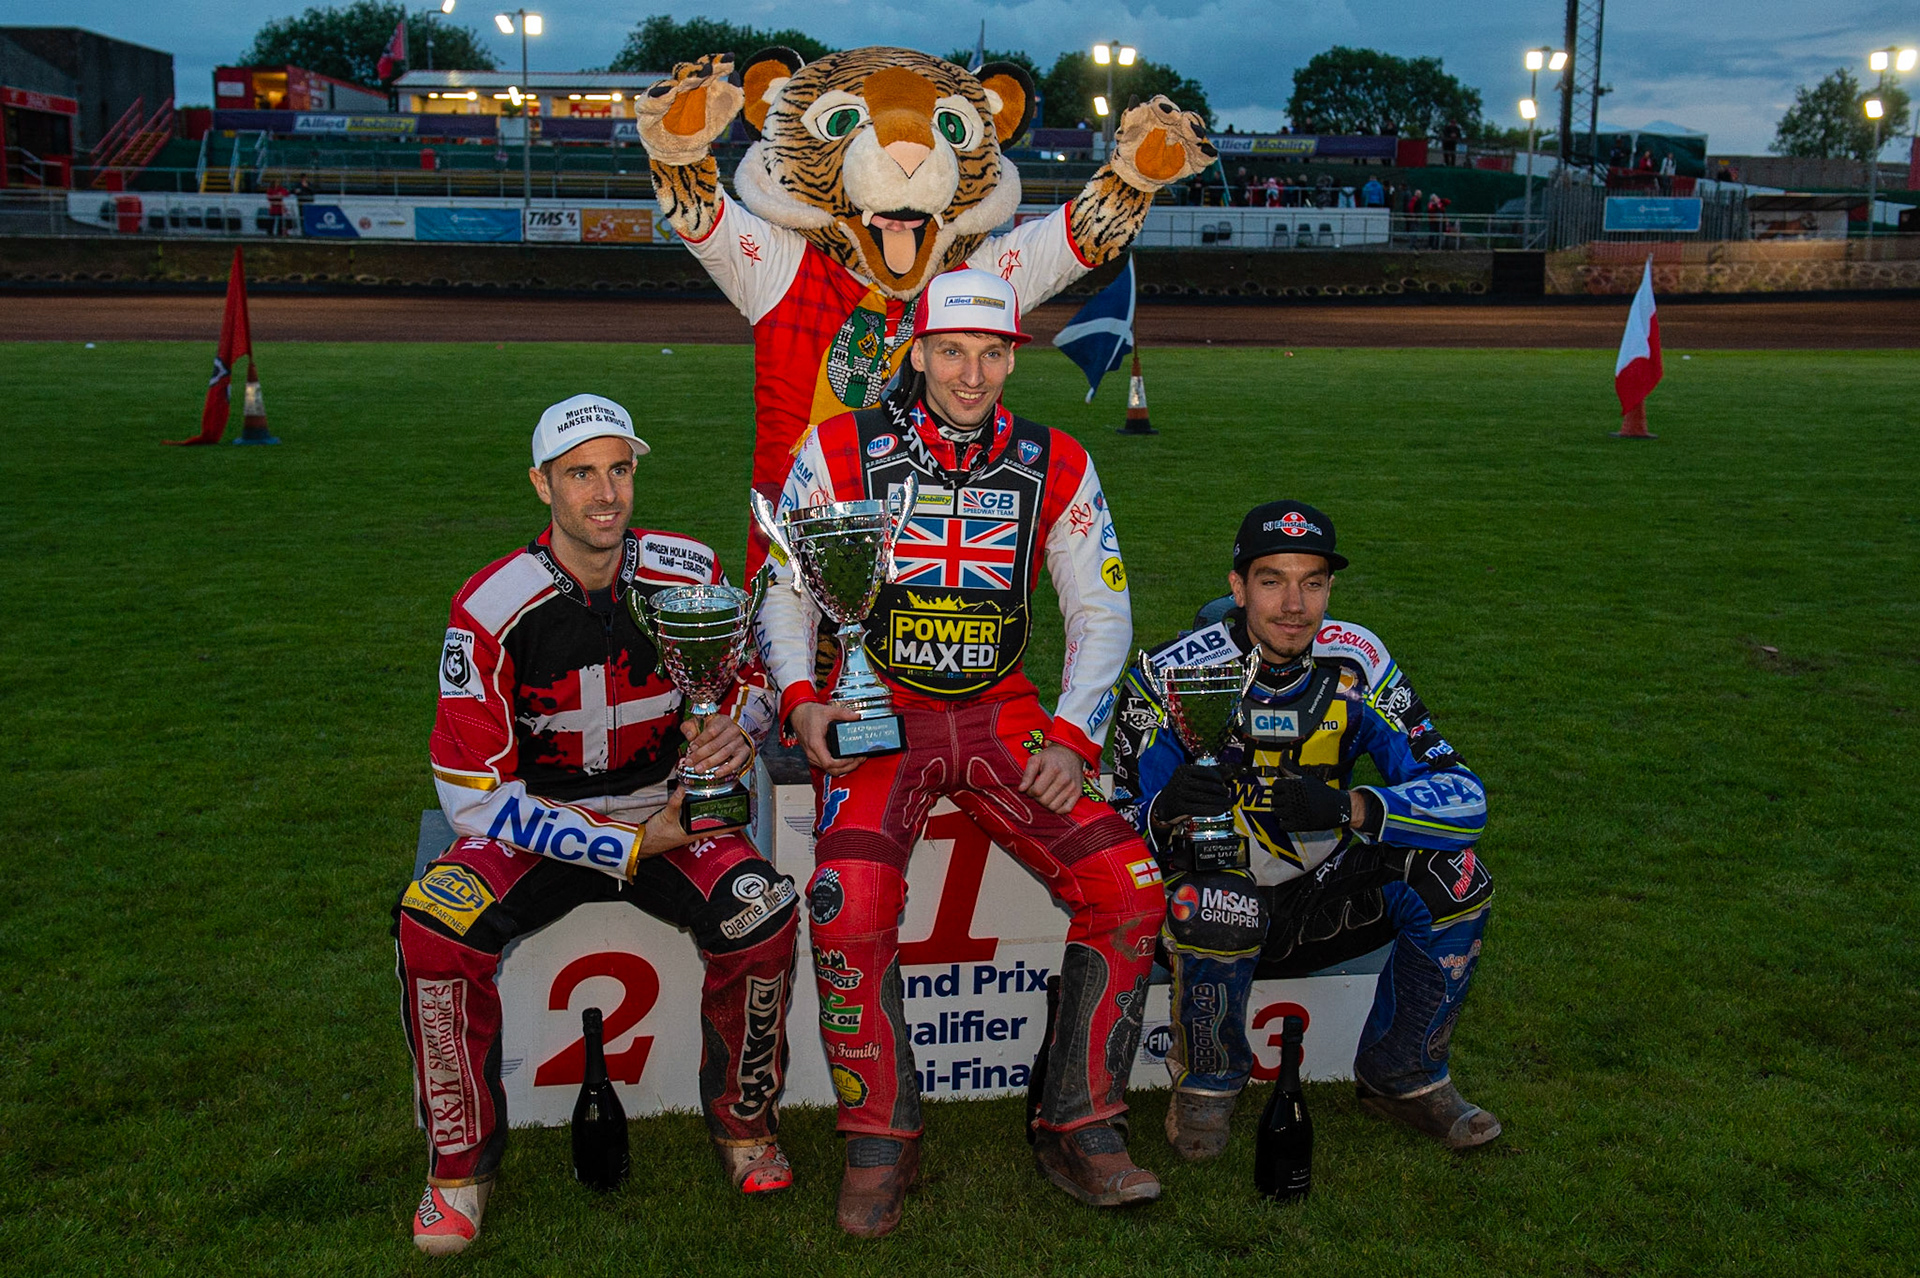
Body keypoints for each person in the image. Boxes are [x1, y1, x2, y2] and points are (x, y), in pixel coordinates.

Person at [757, 268, 1165, 1238]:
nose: (972, 374)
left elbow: (1102, 609)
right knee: (847, 901)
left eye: (991, 353)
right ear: (918, 351)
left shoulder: (1055, 457)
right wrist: (803, 696)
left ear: (1013, 355)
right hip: (878, 715)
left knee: (1131, 885)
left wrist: (1072, 732)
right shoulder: (837, 445)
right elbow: (785, 588)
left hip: (1004, 713)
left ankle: (1081, 1122)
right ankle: (880, 1138)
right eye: (951, 350)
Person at [395, 394, 798, 1256]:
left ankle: (746, 1124)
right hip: (535, 824)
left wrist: (742, 722)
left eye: (619, 469)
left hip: (667, 806)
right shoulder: (489, 606)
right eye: (582, 474)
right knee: (434, 926)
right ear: (542, 484)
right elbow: (470, 796)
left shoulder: (687, 571)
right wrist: (621, 843)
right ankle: (460, 1167)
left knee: (760, 910)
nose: (605, 493)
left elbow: (752, 678)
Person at [1110, 500, 1499, 1166]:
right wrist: (1160, 808)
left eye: (1312, 581)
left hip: (1323, 893)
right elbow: (1102, 811)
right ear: (1237, 586)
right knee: (1214, 900)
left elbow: (1465, 796)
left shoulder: (1359, 660)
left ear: (1329, 587)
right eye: (1272, 580)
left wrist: (1351, 807)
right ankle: (1208, 1080)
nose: (1294, 604)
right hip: (1210, 902)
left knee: (1459, 877)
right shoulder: (1169, 672)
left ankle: (1404, 1076)